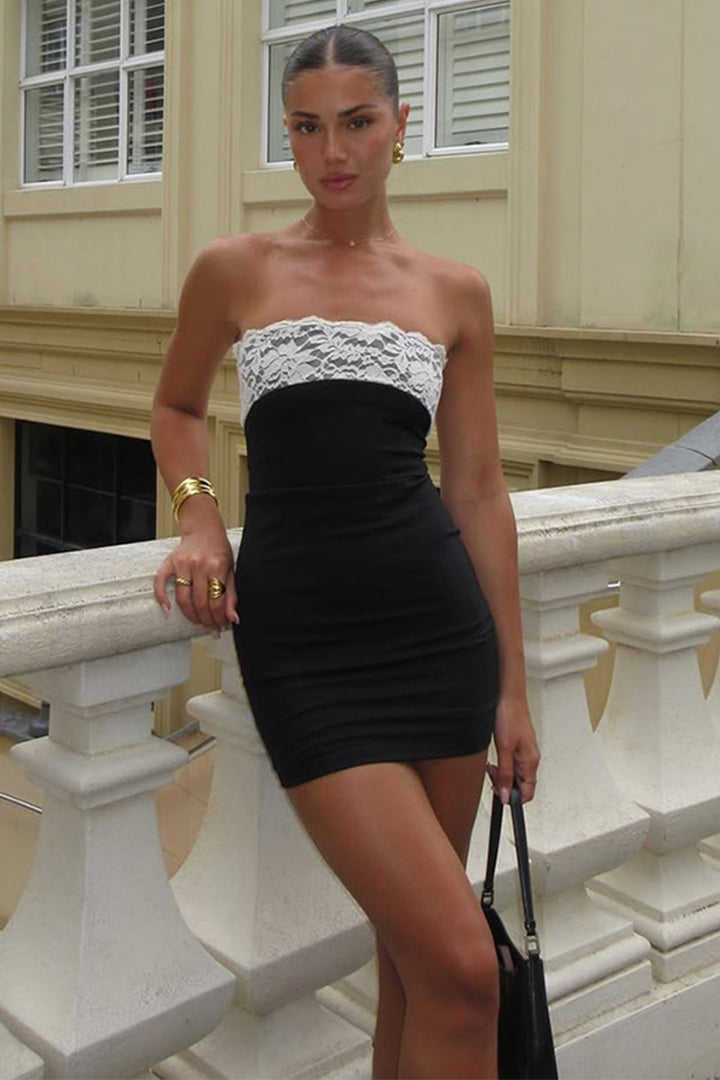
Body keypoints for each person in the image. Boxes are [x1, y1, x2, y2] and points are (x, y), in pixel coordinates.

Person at [152, 24, 539, 1080]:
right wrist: (199, 516)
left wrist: (512, 688)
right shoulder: (234, 270)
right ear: (287, 133)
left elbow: (477, 490)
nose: (333, 152)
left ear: (401, 126)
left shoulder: (454, 290)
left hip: (440, 638)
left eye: (358, 123)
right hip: (309, 650)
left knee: (419, 972)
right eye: (307, 127)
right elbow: (176, 407)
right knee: (463, 968)